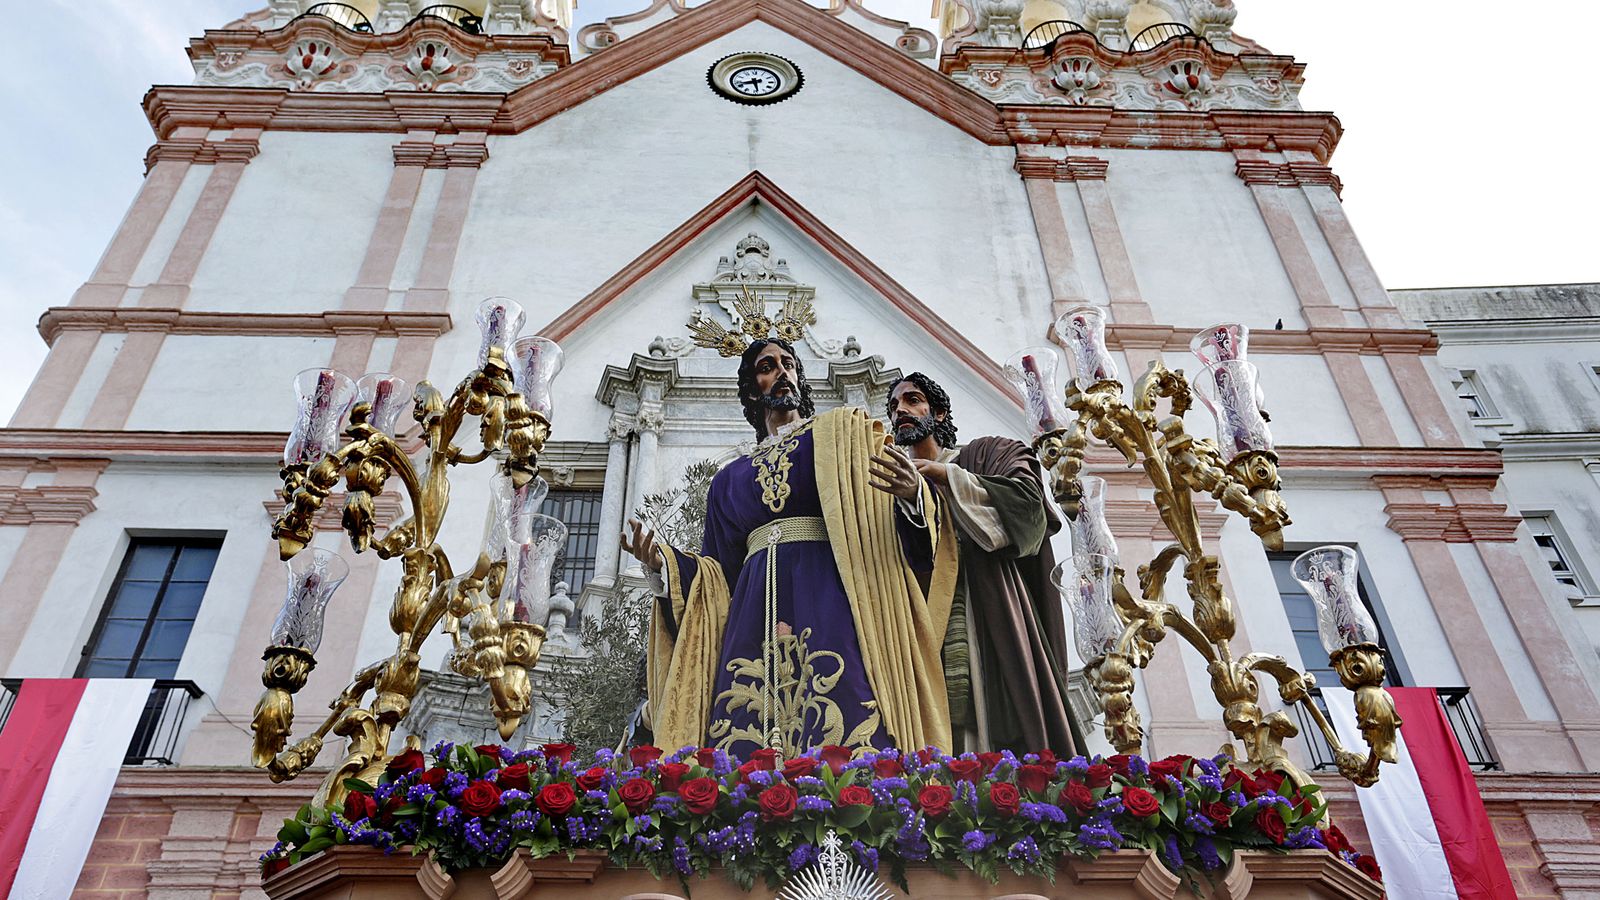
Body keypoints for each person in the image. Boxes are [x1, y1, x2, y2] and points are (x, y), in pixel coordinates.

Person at [623, 338, 957, 758]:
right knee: (742, 742)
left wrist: (911, 496)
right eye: (767, 366)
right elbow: (717, 575)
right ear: (751, 388)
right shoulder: (728, 480)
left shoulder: (843, 437)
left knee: (850, 716)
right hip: (751, 617)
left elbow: (887, 528)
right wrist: (664, 565)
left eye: (789, 363)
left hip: (833, 602)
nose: (782, 372)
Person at [886, 372, 1079, 755]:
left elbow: (1028, 511)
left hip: (988, 610)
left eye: (912, 400)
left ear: (938, 413)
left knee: (988, 713)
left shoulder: (989, 452)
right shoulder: (891, 485)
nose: (901, 411)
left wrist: (947, 478)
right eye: (894, 406)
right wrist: (912, 499)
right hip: (918, 621)